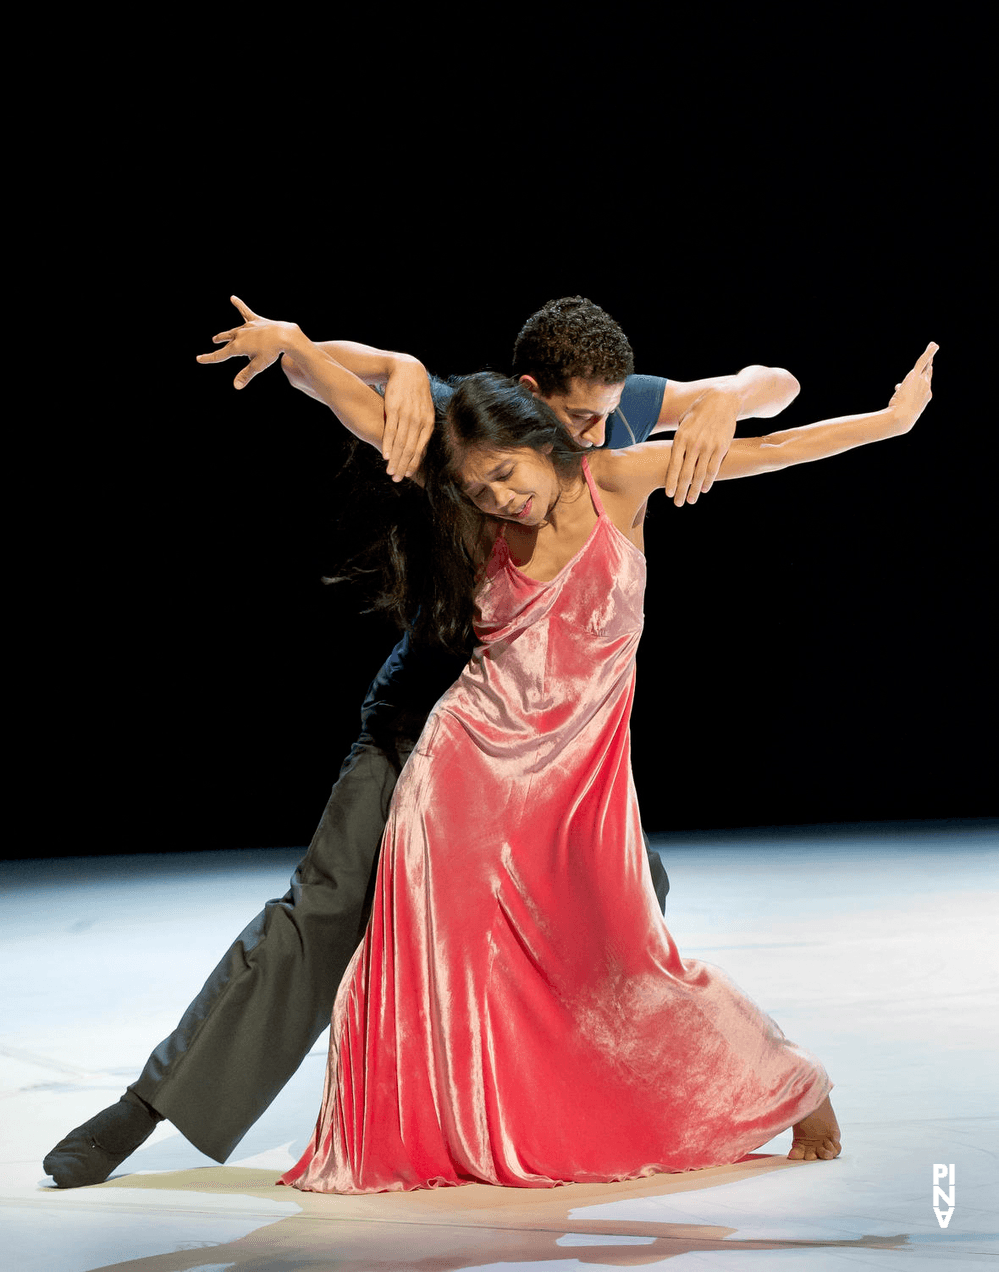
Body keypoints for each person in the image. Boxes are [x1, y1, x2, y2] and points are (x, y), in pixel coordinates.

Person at [43, 297, 802, 1188]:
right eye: (579, 417)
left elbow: (779, 386)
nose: (596, 432)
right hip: (427, 716)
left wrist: (727, 397)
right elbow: (331, 370)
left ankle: (542, 1094)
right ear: (529, 395)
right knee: (328, 904)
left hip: (545, 748)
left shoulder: (609, 412)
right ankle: (149, 1106)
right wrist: (382, 362)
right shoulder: (463, 418)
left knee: (636, 887)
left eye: (607, 414)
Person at [247, 332, 933, 1192]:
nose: (500, 498)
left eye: (508, 474)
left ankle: (791, 1085)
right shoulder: (467, 486)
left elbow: (781, 443)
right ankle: (456, 1135)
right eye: (478, 488)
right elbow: (343, 396)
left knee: (628, 956)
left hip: (584, 776)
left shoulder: (619, 477)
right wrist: (289, 347)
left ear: (545, 442)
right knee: (441, 965)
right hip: (464, 769)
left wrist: (889, 421)